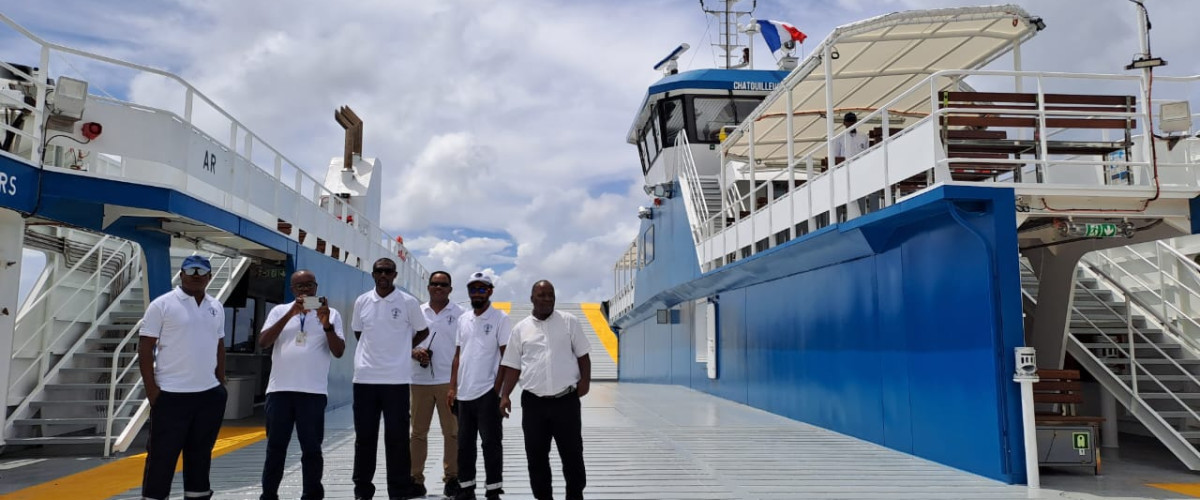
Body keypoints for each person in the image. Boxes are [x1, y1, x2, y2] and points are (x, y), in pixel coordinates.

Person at [138, 255, 229, 500]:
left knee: (200, 454)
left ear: (210, 277)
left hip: (209, 395)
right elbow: (145, 347)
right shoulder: (163, 304)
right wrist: (152, 391)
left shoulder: (216, 306)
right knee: (162, 456)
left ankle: (197, 496)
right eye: (191, 271)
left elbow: (219, 344)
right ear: (181, 274)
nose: (196, 276)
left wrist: (221, 381)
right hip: (171, 395)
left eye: (202, 272)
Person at [258, 270, 347, 500]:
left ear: (316, 287)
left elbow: (338, 351)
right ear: (292, 290)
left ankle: (312, 495)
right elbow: (264, 342)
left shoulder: (332, 313)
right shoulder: (279, 311)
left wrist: (326, 325)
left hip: (313, 393)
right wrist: (291, 313)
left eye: (309, 285)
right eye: (300, 287)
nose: (305, 290)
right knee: (275, 449)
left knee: (312, 450)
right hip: (279, 392)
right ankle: (268, 495)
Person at [499, 280, 591, 500]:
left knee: (572, 455)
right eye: (542, 295)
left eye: (551, 295)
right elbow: (512, 365)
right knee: (537, 457)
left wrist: (585, 382)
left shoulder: (569, 322)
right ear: (532, 298)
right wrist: (505, 395)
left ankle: (575, 496)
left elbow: (583, 355)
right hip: (534, 404)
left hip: (565, 401)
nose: (547, 299)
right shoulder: (521, 328)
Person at [351, 258, 430, 500]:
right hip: (365, 378)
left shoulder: (407, 302)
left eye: (388, 271)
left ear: (394, 274)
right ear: (373, 274)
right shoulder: (362, 301)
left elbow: (423, 330)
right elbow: (358, 332)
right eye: (379, 271)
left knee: (396, 439)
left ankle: (399, 491)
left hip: (396, 380)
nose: (383, 275)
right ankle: (363, 490)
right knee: (365, 438)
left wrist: (403, 347)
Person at [448, 271, 510, 500]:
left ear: (490, 292)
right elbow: (457, 356)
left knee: (491, 444)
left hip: (487, 392)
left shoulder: (500, 318)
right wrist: (452, 387)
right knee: (464, 445)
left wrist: (499, 391)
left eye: (482, 289)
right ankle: (466, 488)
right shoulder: (463, 319)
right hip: (464, 393)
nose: (477, 293)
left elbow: (506, 357)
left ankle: (493, 489)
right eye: (473, 289)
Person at [408, 271, 464, 499]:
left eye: (443, 284)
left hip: (448, 382)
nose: (438, 287)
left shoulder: (461, 314)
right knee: (418, 433)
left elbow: (464, 349)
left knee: (452, 433)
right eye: (434, 284)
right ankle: (415, 480)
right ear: (428, 287)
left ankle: (452, 479)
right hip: (419, 381)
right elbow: (403, 341)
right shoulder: (416, 312)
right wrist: (415, 352)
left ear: (451, 288)